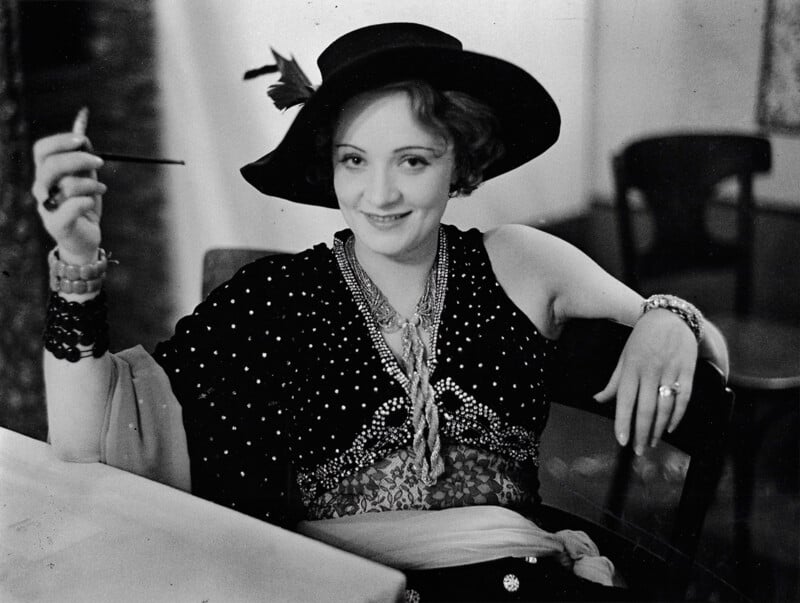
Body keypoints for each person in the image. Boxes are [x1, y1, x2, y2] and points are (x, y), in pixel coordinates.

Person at [32, 23, 728, 601]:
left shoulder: (520, 261)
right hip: (337, 587)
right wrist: (75, 260)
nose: (380, 193)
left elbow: (702, 349)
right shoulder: (276, 295)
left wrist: (670, 319)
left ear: (462, 162)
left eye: (414, 161)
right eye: (355, 160)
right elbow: (87, 437)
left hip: (511, 584)